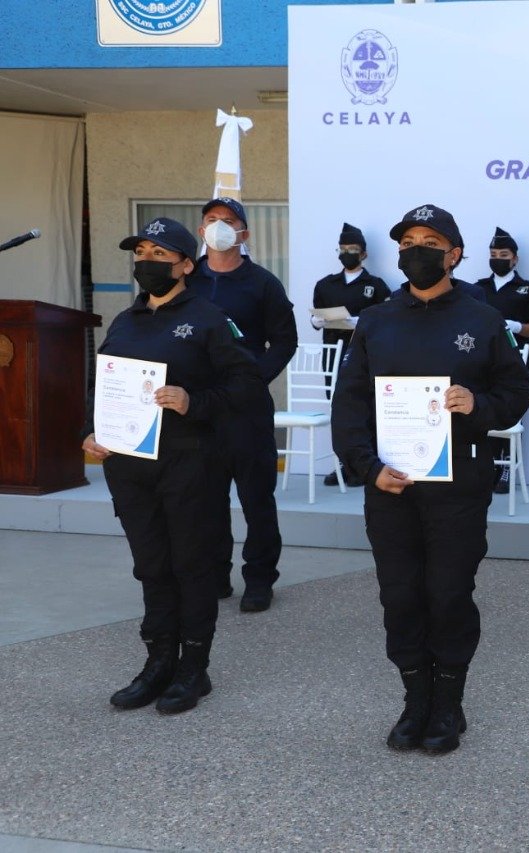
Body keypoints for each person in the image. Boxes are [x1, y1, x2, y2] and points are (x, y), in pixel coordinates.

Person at [331, 204, 529, 754]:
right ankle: (414, 699)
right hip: (390, 485)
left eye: (428, 242)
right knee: (399, 595)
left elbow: (516, 393)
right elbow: (349, 404)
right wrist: (368, 468)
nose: (415, 250)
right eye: (407, 242)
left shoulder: (483, 319)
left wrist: (478, 403)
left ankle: (448, 703)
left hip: (458, 485)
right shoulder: (375, 320)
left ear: (454, 254)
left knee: (448, 594)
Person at [83, 217, 260, 714]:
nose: (147, 262)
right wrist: (92, 430)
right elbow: (104, 387)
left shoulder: (209, 319)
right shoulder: (125, 320)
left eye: (160, 254)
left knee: (190, 566)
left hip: (189, 462)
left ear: (186, 265)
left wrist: (192, 401)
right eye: (141, 252)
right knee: (152, 566)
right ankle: (158, 661)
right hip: (130, 466)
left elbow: (246, 385)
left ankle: (193, 668)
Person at [187, 197, 297, 613]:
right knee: (205, 499)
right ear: (201, 231)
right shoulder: (186, 279)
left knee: (256, 499)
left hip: (247, 409)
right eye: (212, 220)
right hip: (198, 408)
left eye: (229, 220)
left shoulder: (263, 283)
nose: (219, 226)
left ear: (243, 233)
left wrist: (253, 379)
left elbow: (284, 340)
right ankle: (216, 575)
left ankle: (260, 579)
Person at [311, 222, 390, 486]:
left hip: (363, 354)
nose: (347, 254)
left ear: (364, 253)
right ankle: (344, 465)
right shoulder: (326, 285)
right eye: (343, 249)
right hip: (333, 353)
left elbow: (385, 320)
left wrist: (360, 321)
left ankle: (367, 465)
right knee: (340, 410)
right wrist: (317, 321)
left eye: (353, 249)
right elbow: (317, 314)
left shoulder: (376, 286)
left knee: (366, 408)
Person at [474, 227, 529, 494]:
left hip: (516, 357)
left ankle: (507, 467)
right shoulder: (478, 289)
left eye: (503, 255)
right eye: (493, 255)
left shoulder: (528, 290)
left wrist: (516, 326)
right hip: (482, 358)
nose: (498, 259)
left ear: (515, 259)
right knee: (483, 409)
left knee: (510, 409)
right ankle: (488, 465)